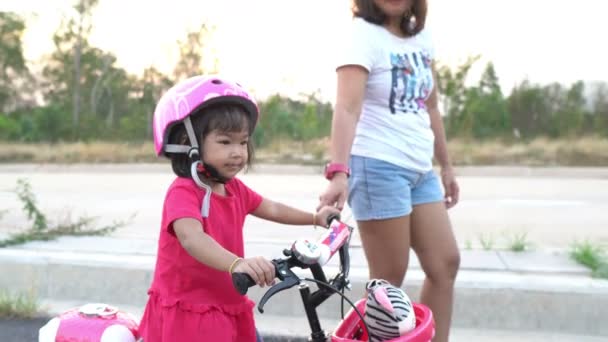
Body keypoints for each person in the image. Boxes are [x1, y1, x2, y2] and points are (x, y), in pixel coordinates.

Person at [139, 75, 339, 342]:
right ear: (187, 142)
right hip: (192, 313)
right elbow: (191, 238)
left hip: (228, 303)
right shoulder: (183, 192)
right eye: (225, 142)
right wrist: (238, 263)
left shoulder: (235, 189)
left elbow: (273, 209)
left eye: (243, 142)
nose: (238, 152)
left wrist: (315, 218)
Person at [317, 1, 460, 341]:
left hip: (419, 170)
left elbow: (432, 106)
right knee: (388, 280)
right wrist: (339, 171)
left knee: (445, 264)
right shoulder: (362, 36)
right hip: (378, 166)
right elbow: (347, 108)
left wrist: (446, 165)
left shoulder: (421, 39)